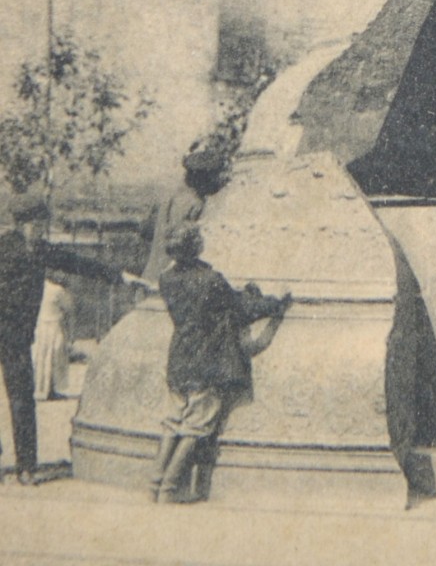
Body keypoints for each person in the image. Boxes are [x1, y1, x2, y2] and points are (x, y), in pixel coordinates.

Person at [150, 222, 290, 504]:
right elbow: (242, 309)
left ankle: (154, 484)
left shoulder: (166, 279)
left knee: (172, 421)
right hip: (207, 359)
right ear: (196, 246)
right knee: (196, 425)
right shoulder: (210, 279)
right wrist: (277, 305)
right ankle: (169, 488)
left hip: (179, 357)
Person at [0, 193, 135, 485]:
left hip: (16, 338)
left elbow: (75, 263)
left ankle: (26, 466)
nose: (41, 230)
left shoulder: (40, 250)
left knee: (22, 398)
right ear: (23, 223)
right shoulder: (3, 247)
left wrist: (117, 275)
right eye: (38, 224)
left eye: (42, 225)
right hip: (6, 329)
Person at [141, 145, 225, 285]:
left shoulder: (172, 197)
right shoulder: (194, 203)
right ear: (203, 178)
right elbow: (180, 240)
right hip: (173, 276)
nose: (218, 181)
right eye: (214, 176)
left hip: (154, 271)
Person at [32, 273, 74, 401]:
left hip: (41, 326)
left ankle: (43, 389)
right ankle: (50, 390)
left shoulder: (40, 287)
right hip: (53, 326)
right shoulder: (58, 290)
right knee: (54, 358)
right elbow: (69, 307)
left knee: (43, 358)